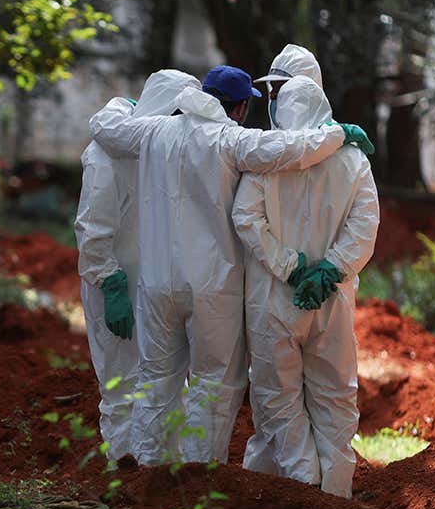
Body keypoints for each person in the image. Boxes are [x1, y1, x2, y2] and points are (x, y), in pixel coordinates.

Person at [87, 65, 373, 467]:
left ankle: (150, 480)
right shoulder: (230, 139)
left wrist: (121, 105)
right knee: (212, 385)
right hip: (211, 289)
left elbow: (104, 128)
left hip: (155, 288)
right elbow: (289, 150)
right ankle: (199, 481)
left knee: (156, 382)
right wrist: (339, 133)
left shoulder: (152, 132)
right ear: (239, 109)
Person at [232, 76, 379, 498]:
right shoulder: (354, 162)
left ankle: (298, 484)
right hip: (331, 302)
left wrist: (290, 268)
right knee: (334, 397)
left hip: (272, 299)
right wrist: (328, 272)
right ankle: (334, 495)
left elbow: (247, 219)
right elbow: (364, 227)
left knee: (276, 397)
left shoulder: (269, 160)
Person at [75, 69, 200, 464]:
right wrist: (108, 281)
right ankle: (125, 475)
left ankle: (162, 474)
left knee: (163, 385)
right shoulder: (105, 156)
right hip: (114, 286)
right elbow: (92, 229)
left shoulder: (161, 151)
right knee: (120, 385)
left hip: (152, 284)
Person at [256, 43, 323, 127]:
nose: (272, 95)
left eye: (281, 88)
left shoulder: (331, 134)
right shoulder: (275, 138)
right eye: (272, 87)